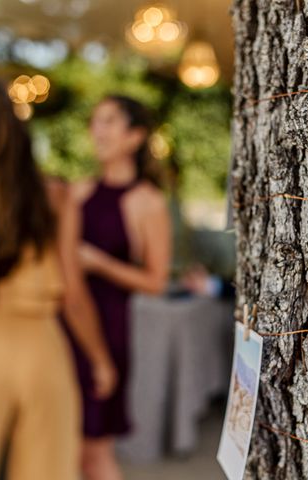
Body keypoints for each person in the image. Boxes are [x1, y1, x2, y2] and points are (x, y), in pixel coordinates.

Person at [0, 75, 116, 480]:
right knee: (48, 471)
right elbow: (73, 292)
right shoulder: (52, 193)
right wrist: (100, 359)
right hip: (41, 347)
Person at [62, 94, 172, 480]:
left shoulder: (148, 202)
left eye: (109, 121)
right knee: (65, 449)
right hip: (64, 325)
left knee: (93, 450)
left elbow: (156, 282)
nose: (98, 130)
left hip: (109, 331)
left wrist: (100, 263)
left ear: (135, 136)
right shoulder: (75, 193)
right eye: (95, 121)